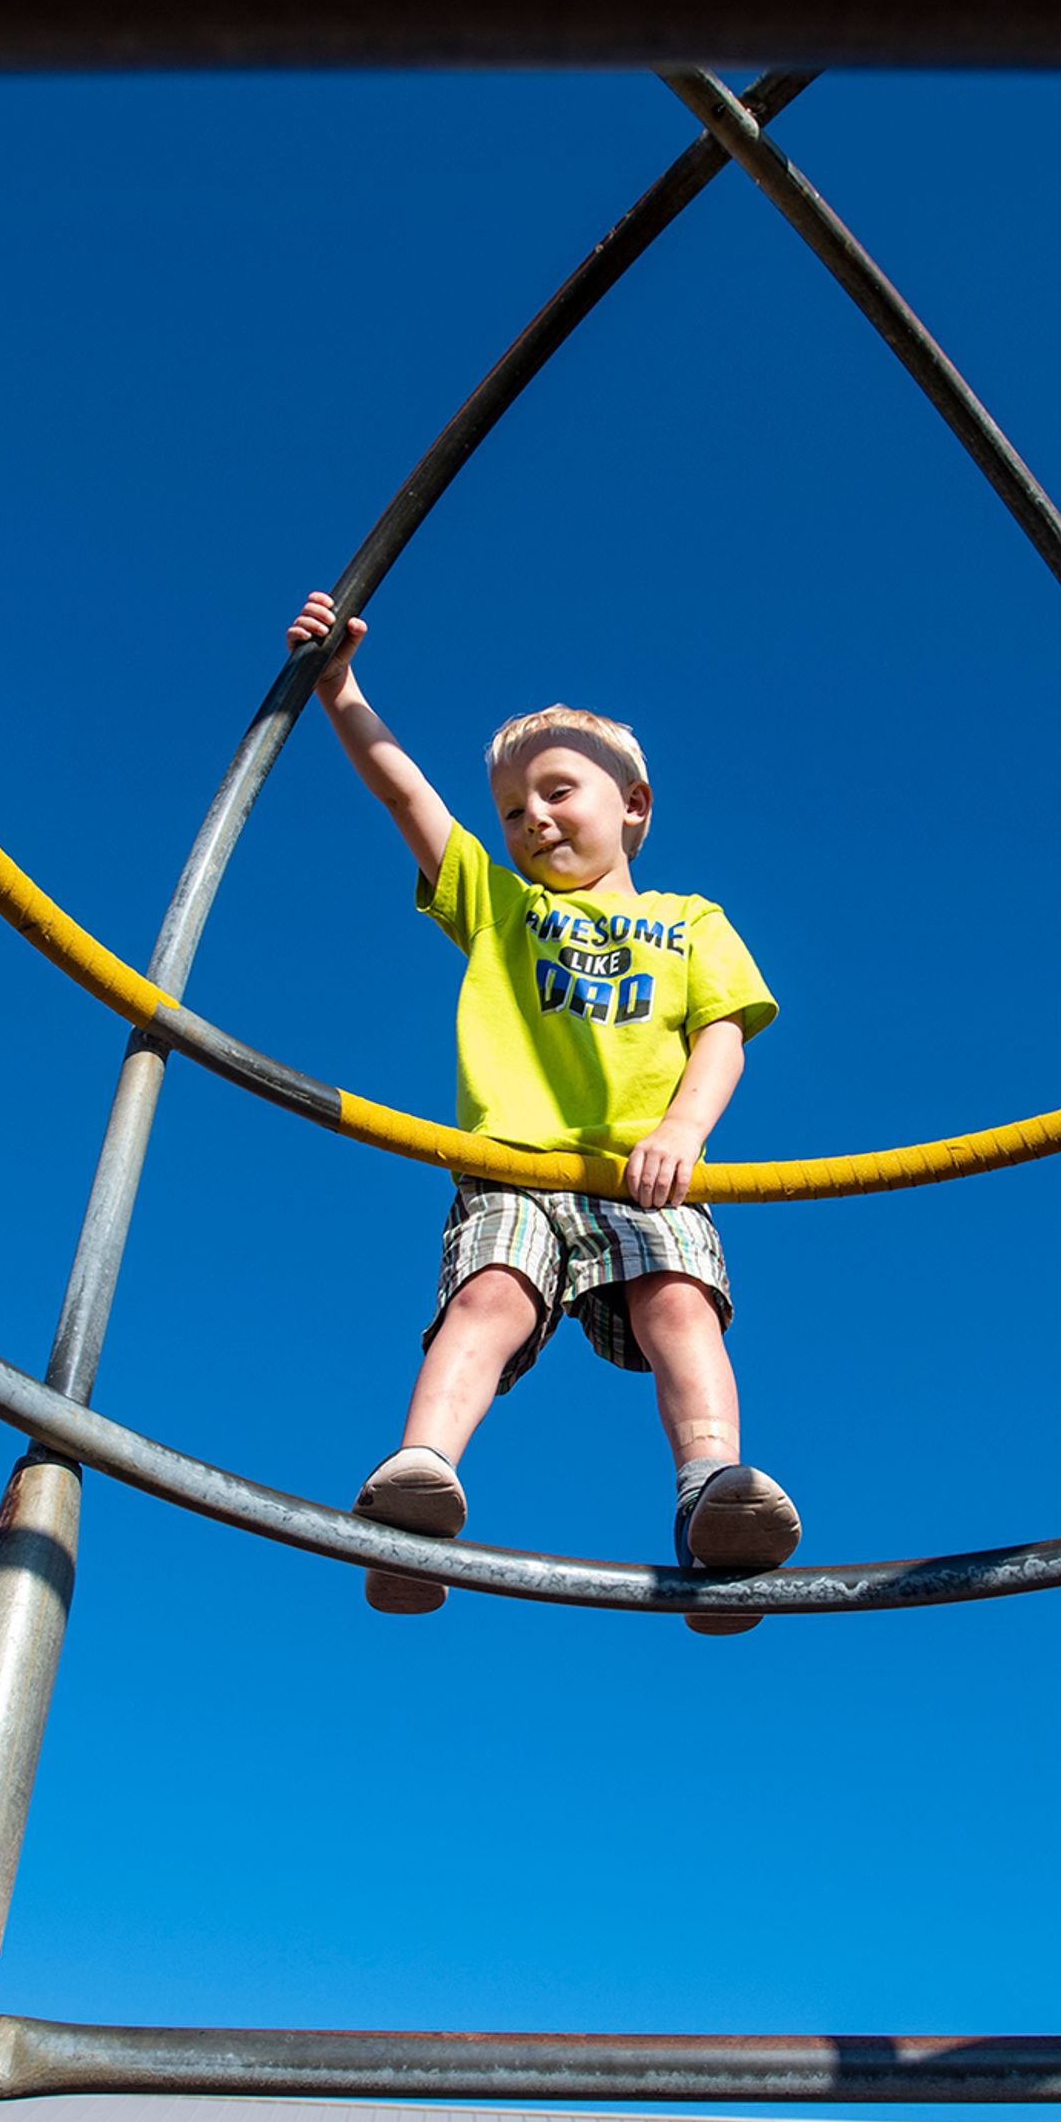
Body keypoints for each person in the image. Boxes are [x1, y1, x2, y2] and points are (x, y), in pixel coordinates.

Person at [287, 589, 800, 1633]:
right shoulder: (500, 906)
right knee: (490, 1294)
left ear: (635, 806)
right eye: (515, 810)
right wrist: (339, 690)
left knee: (679, 1307)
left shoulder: (689, 921)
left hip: (636, 1165)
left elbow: (721, 1035)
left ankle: (713, 1489)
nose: (536, 819)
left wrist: (681, 1134)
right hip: (514, 1161)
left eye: (559, 791)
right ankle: (419, 1477)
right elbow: (407, 797)